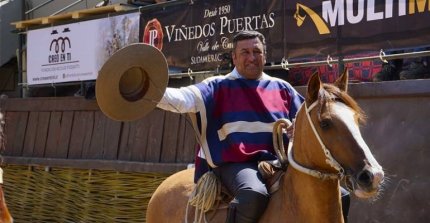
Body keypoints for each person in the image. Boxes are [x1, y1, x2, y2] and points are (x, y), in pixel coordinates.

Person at [156, 30, 349, 223]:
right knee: (253, 194)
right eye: (245, 52)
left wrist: (295, 131)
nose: (252, 58)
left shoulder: (282, 88)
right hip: (235, 164)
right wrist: (149, 89)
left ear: (265, 55)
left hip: (279, 164)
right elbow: (181, 99)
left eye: (257, 52)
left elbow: (306, 124)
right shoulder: (215, 87)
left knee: (341, 195)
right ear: (234, 57)